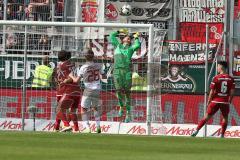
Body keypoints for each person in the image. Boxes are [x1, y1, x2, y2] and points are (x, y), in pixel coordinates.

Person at [191, 61, 235, 138]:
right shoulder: (231, 79)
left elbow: (211, 91)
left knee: (206, 117)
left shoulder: (216, 78)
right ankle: (222, 135)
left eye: (218, 66)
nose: (217, 68)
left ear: (221, 67)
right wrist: (229, 101)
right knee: (225, 118)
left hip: (215, 100)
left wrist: (208, 101)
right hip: (225, 102)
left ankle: (196, 131)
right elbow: (232, 92)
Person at [69, 48, 105, 133]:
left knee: (83, 108)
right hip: (97, 88)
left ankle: (87, 127)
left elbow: (76, 81)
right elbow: (104, 76)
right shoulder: (99, 65)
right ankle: (98, 126)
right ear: (93, 56)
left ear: (85, 57)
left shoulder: (83, 67)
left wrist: (71, 76)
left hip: (88, 89)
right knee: (96, 108)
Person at [109, 29, 141, 123]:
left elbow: (138, 45)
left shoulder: (130, 49)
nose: (128, 39)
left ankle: (128, 113)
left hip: (127, 72)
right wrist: (119, 31)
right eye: (127, 37)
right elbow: (112, 35)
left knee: (127, 92)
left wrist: (136, 37)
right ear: (122, 40)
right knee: (118, 90)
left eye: (129, 39)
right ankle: (121, 107)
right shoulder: (117, 46)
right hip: (117, 71)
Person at [54, 50, 81, 133]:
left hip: (65, 90)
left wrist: (63, 81)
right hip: (76, 90)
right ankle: (74, 129)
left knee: (59, 109)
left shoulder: (62, 66)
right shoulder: (73, 64)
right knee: (72, 110)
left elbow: (70, 78)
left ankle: (65, 125)